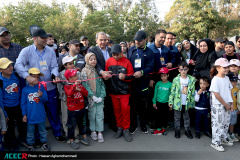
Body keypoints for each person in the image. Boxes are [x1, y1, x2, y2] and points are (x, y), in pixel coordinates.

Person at [15, 28, 66, 142]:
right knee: (34, 113)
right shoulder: (26, 51)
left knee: (53, 112)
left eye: (46, 37)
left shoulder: (50, 51)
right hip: (34, 89)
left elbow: (54, 66)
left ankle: (57, 132)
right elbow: (18, 65)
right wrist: (27, 77)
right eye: (42, 38)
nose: (45, 40)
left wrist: (55, 76)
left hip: (50, 87)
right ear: (34, 38)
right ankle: (37, 137)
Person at [88, 32, 116, 132]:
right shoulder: (92, 50)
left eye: (105, 40)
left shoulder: (110, 49)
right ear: (96, 40)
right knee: (100, 102)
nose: (103, 42)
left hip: (112, 79)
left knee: (111, 101)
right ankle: (99, 125)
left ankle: (112, 123)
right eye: (101, 40)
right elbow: (96, 64)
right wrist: (102, 72)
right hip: (99, 79)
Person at [105, 44, 134, 142]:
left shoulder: (127, 62)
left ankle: (126, 129)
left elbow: (132, 76)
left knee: (125, 110)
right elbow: (105, 74)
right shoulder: (109, 61)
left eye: (117, 54)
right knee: (117, 111)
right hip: (113, 91)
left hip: (124, 92)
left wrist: (125, 77)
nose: (115, 56)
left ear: (121, 53)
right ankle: (119, 128)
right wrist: (106, 75)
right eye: (113, 54)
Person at [128, 30, 154, 134]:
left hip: (143, 82)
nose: (137, 42)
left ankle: (143, 125)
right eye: (136, 40)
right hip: (132, 82)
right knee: (133, 106)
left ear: (145, 40)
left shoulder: (149, 52)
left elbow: (151, 67)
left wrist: (142, 72)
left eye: (139, 40)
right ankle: (133, 125)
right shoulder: (131, 50)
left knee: (143, 106)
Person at [0, 57, 27, 150]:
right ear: (0, 70)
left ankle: (23, 139)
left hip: (18, 105)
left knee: (22, 124)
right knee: (9, 127)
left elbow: (23, 90)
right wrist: (4, 113)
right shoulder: (0, 81)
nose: (10, 68)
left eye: (11, 65)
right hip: (7, 107)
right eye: (7, 67)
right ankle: (11, 143)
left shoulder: (17, 75)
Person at [80, 53, 106, 143]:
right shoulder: (84, 71)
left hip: (99, 97)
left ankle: (99, 132)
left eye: (95, 59)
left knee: (100, 115)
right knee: (92, 115)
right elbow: (85, 85)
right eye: (91, 59)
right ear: (87, 60)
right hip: (91, 98)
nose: (93, 61)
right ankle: (93, 131)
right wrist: (92, 96)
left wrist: (102, 96)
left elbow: (102, 84)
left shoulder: (98, 70)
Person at [21, 68, 49, 151]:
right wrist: (24, 115)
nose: (36, 79)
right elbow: (23, 103)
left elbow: (46, 99)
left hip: (40, 115)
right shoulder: (25, 90)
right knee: (30, 132)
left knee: (42, 131)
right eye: (33, 77)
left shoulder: (41, 87)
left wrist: (42, 96)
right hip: (30, 116)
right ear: (28, 77)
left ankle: (44, 143)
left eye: (37, 77)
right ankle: (30, 144)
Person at [209, 58, 233, 152]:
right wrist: (225, 104)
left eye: (228, 67)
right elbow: (216, 94)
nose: (227, 69)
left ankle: (223, 138)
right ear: (218, 68)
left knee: (225, 123)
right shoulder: (215, 79)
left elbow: (229, 90)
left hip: (227, 104)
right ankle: (215, 142)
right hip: (218, 105)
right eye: (224, 67)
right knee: (217, 124)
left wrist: (230, 103)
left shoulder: (227, 78)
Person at [169, 61, 196, 139]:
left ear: (187, 69)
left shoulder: (191, 79)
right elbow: (172, 92)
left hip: (187, 103)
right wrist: (170, 102)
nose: (183, 71)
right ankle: (177, 130)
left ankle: (187, 130)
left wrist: (192, 103)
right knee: (177, 117)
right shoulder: (176, 80)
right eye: (181, 69)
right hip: (177, 103)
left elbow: (193, 92)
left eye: (185, 69)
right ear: (178, 70)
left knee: (187, 117)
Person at [57, 56, 82, 141]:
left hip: (75, 99)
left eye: (73, 63)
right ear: (64, 65)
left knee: (74, 117)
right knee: (66, 117)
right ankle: (68, 135)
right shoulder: (61, 74)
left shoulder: (77, 72)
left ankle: (76, 134)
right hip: (65, 98)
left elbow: (81, 83)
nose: (72, 65)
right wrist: (64, 95)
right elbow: (59, 86)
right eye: (70, 64)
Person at [64, 69, 89, 149]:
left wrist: (80, 89)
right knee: (71, 126)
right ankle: (72, 140)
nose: (76, 76)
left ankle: (83, 136)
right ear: (69, 79)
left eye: (76, 75)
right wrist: (75, 86)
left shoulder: (80, 85)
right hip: (72, 111)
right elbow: (69, 93)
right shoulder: (67, 86)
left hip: (81, 108)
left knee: (82, 124)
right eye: (74, 76)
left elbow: (86, 93)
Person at [152, 67, 172, 135]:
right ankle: (158, 128)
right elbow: (155, 93)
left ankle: (163, 128)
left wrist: (170, 104)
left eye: (164, 75)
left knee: (165, 116)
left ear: (168, 75)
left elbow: (171, 95)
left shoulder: (170, 84)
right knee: (157, 116)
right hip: (158, 103)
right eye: (161, 76)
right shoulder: (158, 84)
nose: (163, 77)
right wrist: (154, 102)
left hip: (166, 103)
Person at [226, 72, 240, 142]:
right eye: (232, 81)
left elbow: (238, 100)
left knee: (233, 122)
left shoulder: (237, 89)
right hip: (228, 109)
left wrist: (238, 108)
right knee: (227, 122)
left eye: (235, 81)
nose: (234, 83)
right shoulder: (227, 89)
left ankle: (231, 133)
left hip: (235, 109)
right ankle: (227, 134)